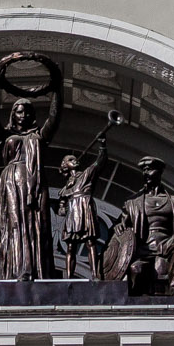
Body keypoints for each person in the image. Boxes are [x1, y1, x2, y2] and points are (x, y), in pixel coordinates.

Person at [0, 51, 63, 280]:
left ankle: (37, 269)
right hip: (12, 180)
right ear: (13, 114)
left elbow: (55, 116)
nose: (23, 114)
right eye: (19, 110)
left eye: (28, 111)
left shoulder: (38, 135)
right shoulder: (6, 135)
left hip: (35, 181)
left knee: (37, 225)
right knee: (15, 222)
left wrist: (58, 90)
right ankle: (18, 269)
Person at [100, 156, 174, 296]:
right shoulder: (132, 202)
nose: (146, 173)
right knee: (136, 270)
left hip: (167, 243)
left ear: (159, 172)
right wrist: (118, 227)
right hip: (144, 247)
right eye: (144, 170)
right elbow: (120, 229)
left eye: (149, 169)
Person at [55, 111, 124, 278]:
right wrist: (62, 208)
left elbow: (100, 162)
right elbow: (61, 208)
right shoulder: (65, 188)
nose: (75, 161)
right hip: (73, 212)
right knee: (71, 246)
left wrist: (102, 145)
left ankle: (94, 274)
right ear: (65, 166)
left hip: (85, 208)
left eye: (74, 159)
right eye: (71, 160)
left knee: (91, 243)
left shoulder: (86, 175)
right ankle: (70, 276)